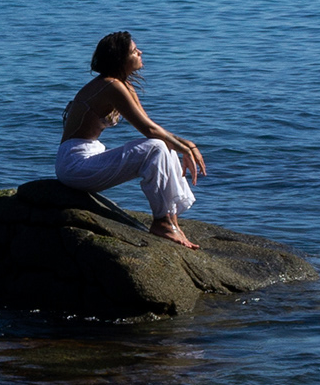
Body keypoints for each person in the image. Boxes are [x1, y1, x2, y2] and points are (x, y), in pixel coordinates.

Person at [54, 32, 207, 248]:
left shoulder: (122, 85)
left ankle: (171, 220)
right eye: (134, 51)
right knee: (155, 147)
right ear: (120, 58)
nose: (140, 52)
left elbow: (152, 126)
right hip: (74, 164)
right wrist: (187, 148)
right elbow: (148, 130)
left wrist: (187, 145)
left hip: (90, 155)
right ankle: (162, 222)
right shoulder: (110, 86)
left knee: (162, 145)